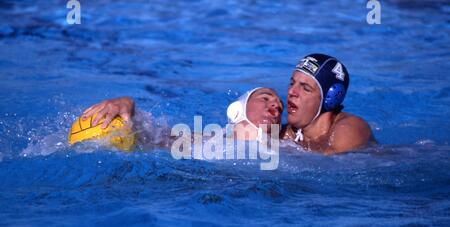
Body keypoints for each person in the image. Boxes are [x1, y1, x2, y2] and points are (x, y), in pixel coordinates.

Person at [79, 87, 283, 146]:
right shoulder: (205, 140)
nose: (276, 104)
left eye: (280, 106)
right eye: (265, 98)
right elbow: (149, 136)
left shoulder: (287, 151)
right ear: (238, 109)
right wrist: (128, 104)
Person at [281, 53, 374, 154]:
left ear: (330, 99)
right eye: (292, 83)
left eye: (306, 88)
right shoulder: (287, 133)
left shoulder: (350, 128)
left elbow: (331, 164)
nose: (291, 92)